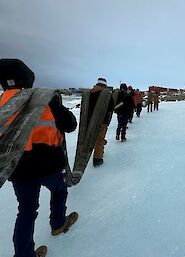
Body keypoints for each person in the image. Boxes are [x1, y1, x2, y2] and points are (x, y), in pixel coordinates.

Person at [0, 59, 78, 257]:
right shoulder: (45, 99)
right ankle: (58, 223)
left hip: (17, 169)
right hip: (50, 164)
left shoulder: (2, 105)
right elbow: (70, 125)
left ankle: (24, 254)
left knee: (26, 211)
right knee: (59, 190)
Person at [88, 78, 114, 167]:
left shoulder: (90, 92)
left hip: (90, 120)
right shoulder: (106, 94)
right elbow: (111, 107)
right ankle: (97, 159)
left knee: (92, 137)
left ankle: (92, 152)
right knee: (100, 139)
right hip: (102, 121)